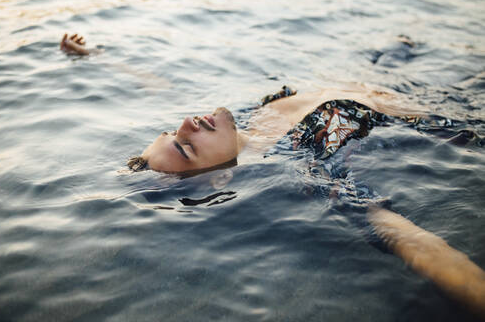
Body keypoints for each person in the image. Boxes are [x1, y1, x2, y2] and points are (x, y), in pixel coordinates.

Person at [61, 34, 485, 319]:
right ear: (221, 181)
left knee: (405, 40)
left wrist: (95, 57)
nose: (187, 123)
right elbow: (406, 238)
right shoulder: (304, 165)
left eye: (174, 132)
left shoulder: (242, 122)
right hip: (445, 109)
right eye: (187, 147)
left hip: (381, 67)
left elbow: (160, 86)